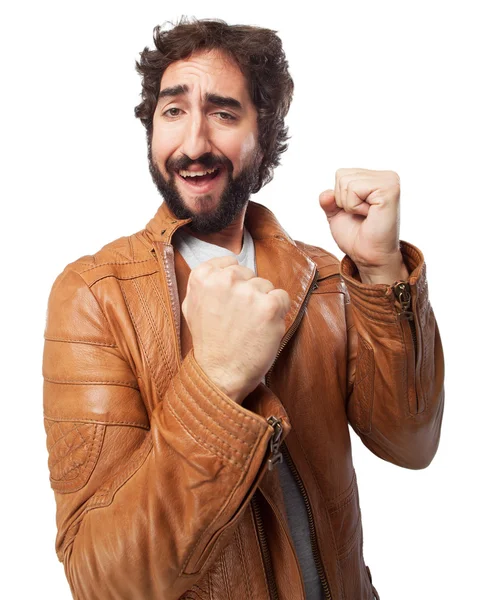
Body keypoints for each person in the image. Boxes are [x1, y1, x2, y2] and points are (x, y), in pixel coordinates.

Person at [42, 17, 445, 600]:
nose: (194, 143)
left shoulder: (328, 278)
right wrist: (215, 383)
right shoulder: (94, 295)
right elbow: (104, 581)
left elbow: (412, 442)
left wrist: (382, 273)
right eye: (173, 111)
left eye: (225, 114)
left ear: (266, 136)